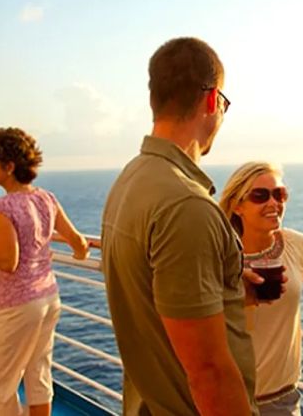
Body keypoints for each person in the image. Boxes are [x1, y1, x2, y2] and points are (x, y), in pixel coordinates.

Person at [101, 37, 258, 415]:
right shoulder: (186, 205)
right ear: (212, 100)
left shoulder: (130, 180)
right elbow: (208, 373)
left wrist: (225, 285)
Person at [0, 127, 90, 416]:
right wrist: (78, 252)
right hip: (49, 298)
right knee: (38, 372)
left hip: (18, 306)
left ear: (9, 166)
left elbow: (7, 262)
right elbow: (79, 243)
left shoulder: (5, 205)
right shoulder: (46, 198)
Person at [219, 161, 303, 415]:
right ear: (237, 205)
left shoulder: (292, 244)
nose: (273, 203)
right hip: (226, 399)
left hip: (280, 401)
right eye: (260, 196)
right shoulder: (218, 254)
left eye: (279, 194)